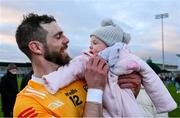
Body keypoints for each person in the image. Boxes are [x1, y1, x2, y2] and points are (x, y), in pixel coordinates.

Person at [13, 13, 141, 117]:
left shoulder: (85, 72)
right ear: (36, 47)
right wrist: (95, 89)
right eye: (58, 36)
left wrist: (131, 87)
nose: (67, 39)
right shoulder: (28, 104)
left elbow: (118, 108)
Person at [42, 19, 177, 117]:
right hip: (103, 107)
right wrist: (52, 81)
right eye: (91, 43)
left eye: (95, 43)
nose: (90, 47)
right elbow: (71, 69)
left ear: (110, 45)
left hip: (126, 102)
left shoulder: (126, 57)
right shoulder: (88, 60)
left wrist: (164, 103)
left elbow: (149, 75)